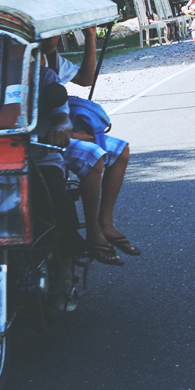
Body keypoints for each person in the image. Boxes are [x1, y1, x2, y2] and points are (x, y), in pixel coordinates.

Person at [35, 82, 137, 265]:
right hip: (30, 141)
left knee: (121, 150)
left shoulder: (47, 72)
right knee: (94, 155)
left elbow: (85, 79)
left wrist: (67, 132)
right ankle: (93, 231)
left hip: (54, 136)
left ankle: (104, 224)